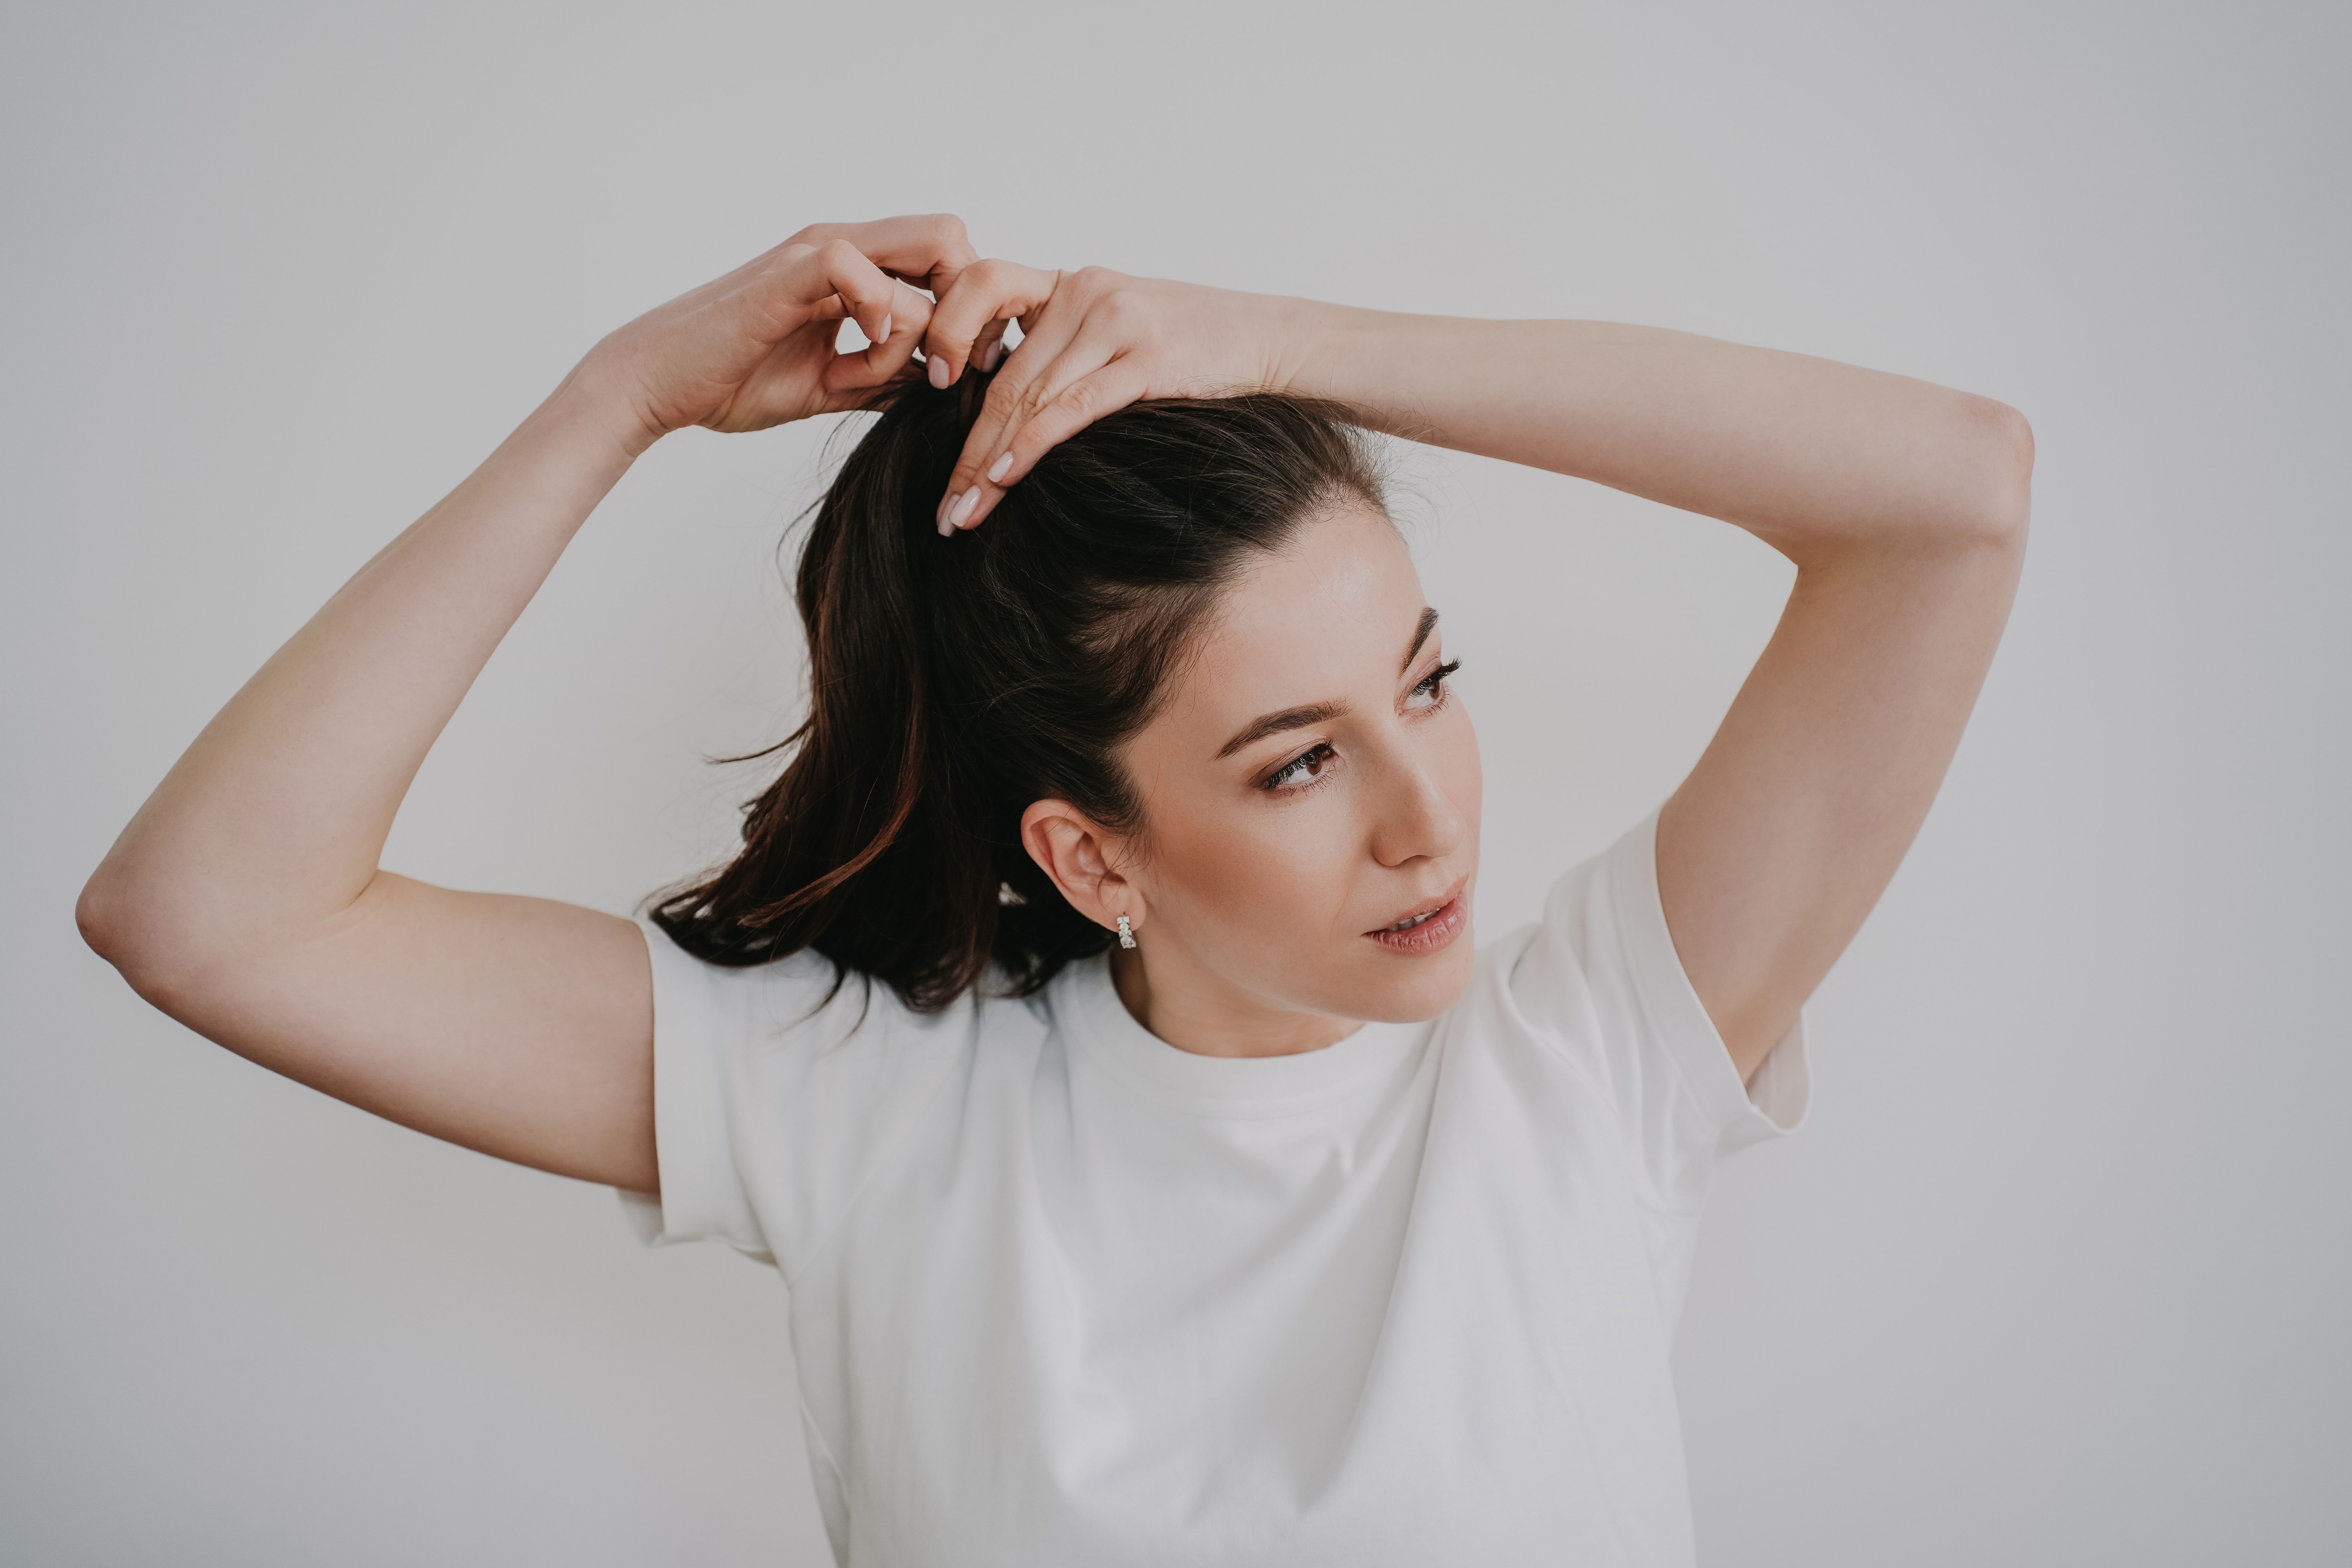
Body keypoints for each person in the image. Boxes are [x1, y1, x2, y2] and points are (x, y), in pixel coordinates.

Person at [77, 213, 2032, 1565]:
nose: (1430, 816)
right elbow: (210, 915)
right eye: (1298, 760)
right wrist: (618, 398)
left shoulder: (1593, 1050)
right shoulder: (860, 1100)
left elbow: (1953, 491)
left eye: (1426, 683)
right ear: (1089, 851)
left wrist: (1284, 344)